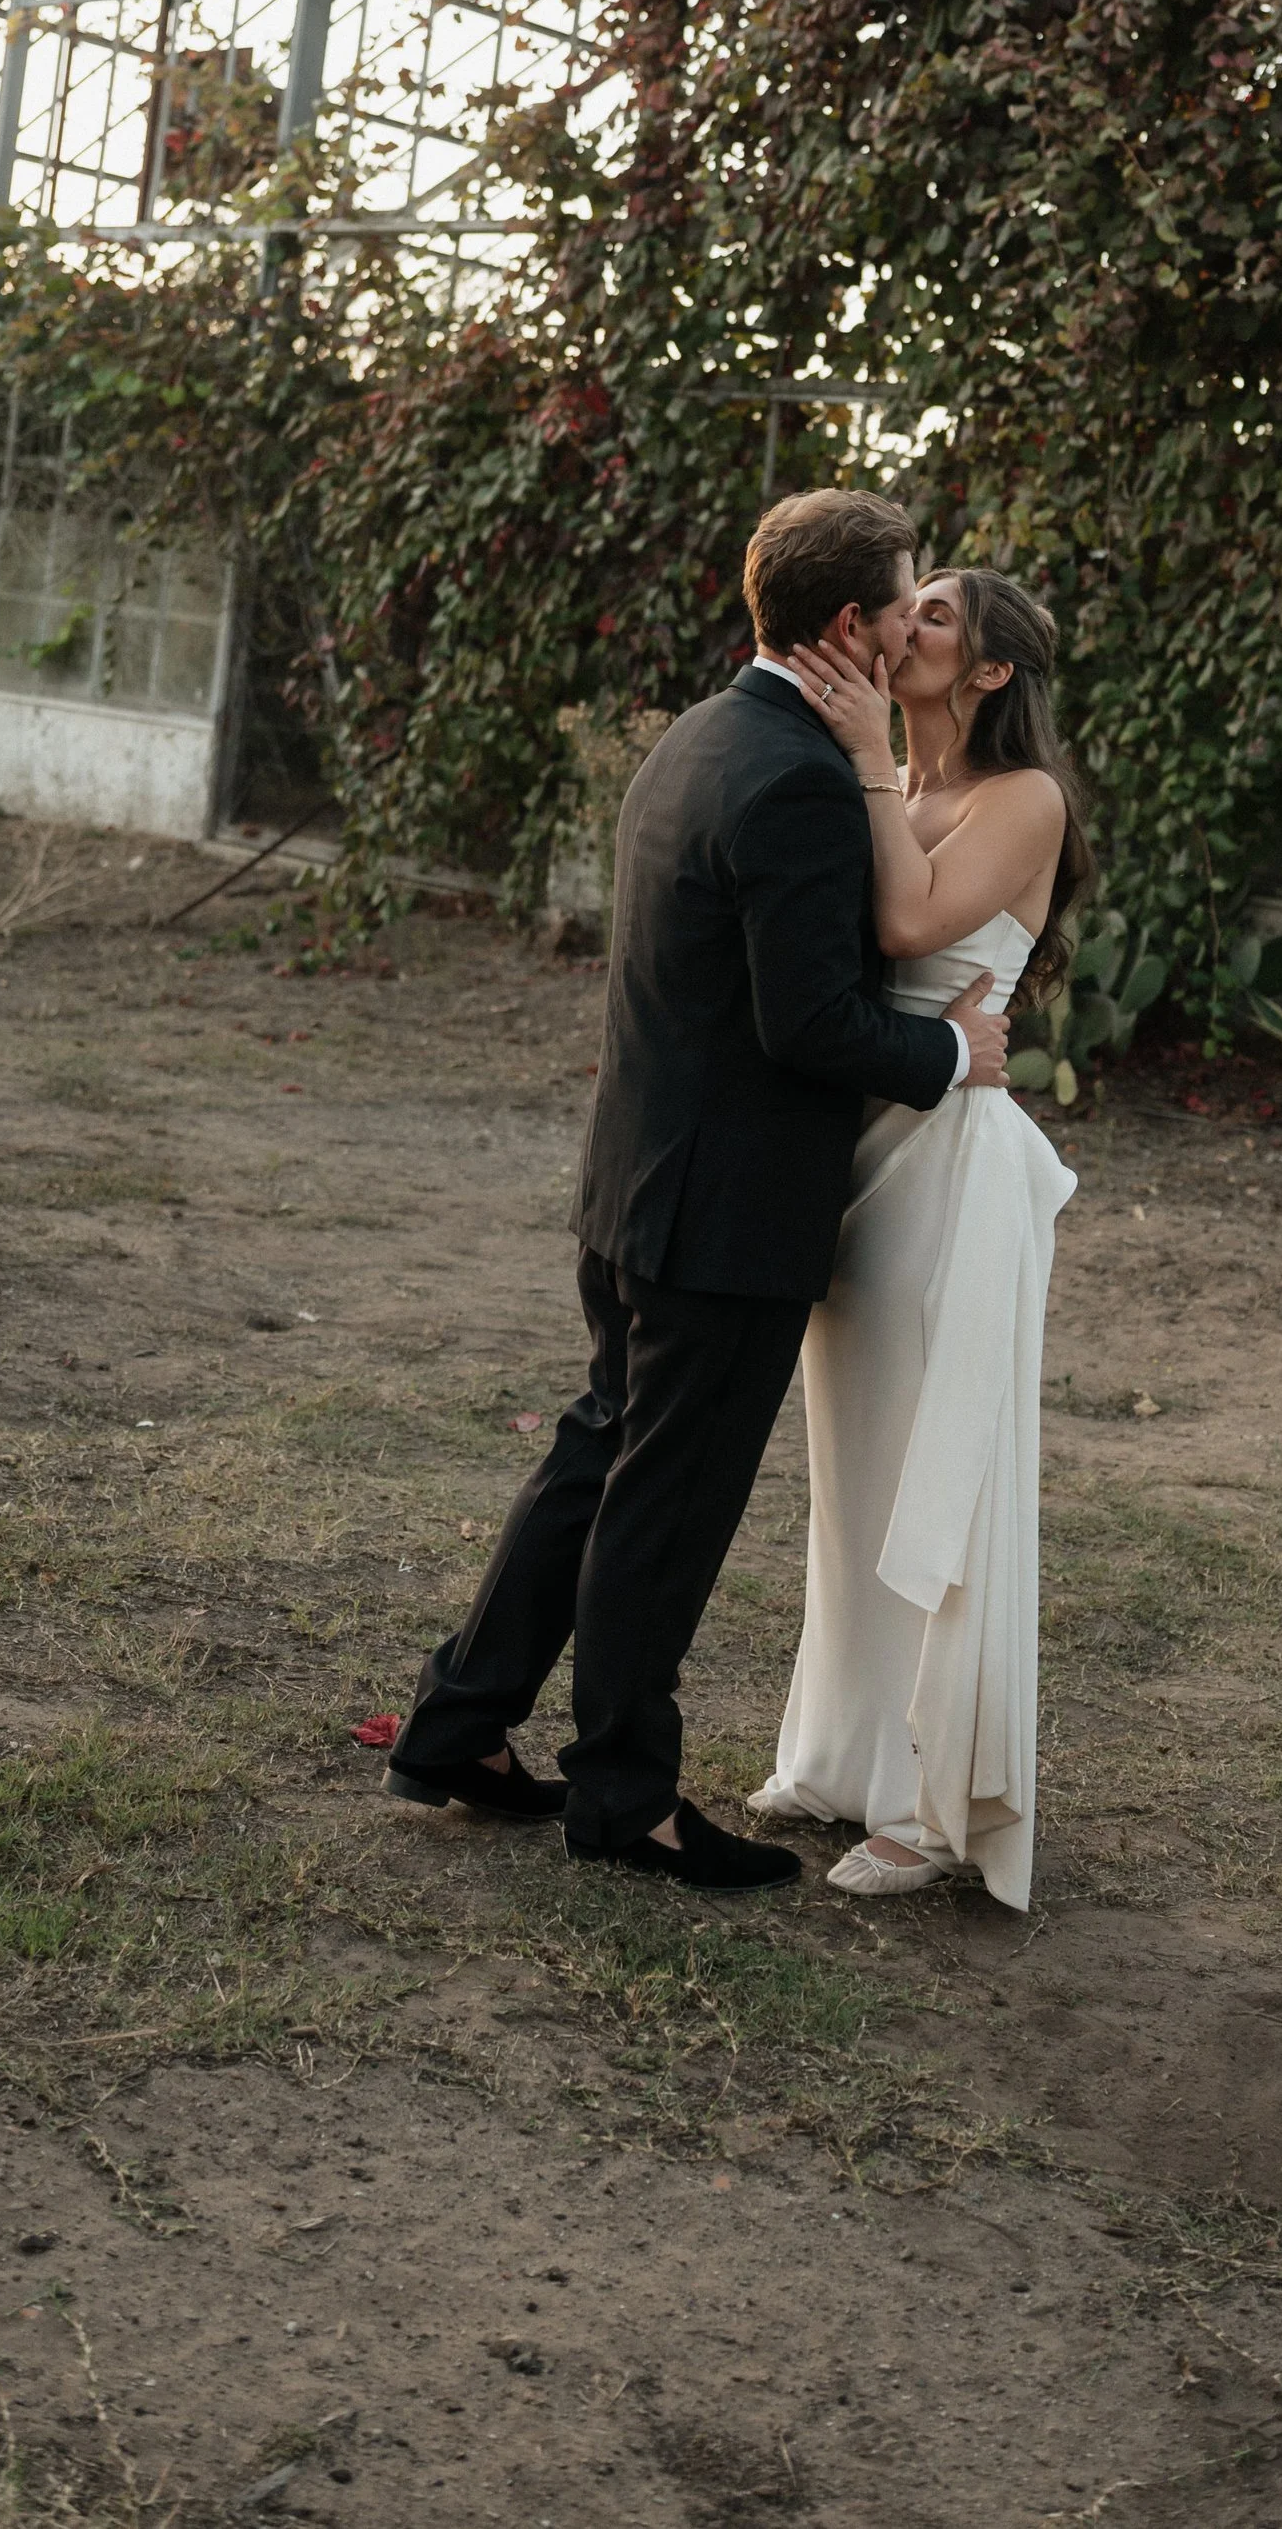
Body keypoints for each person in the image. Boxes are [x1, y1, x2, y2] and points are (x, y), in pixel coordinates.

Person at [381, 489, 1011, 1890]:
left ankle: (458, 1723)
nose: (920, 619)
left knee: (598, 1457)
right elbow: (810, 1022)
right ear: (849, 623)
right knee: (659, 1507)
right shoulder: (792, 775)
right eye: (907, 600)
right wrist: (948, 1047)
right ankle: (627, 1799)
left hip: (636, 1185)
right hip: (722, 1219)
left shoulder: (703, 730)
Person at [751, 568, 1087, 1907]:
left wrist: (864, 760)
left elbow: (905, 924)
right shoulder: (894, 781)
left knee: (935, 1475)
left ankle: (934, 1798)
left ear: (993, 671)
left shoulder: (1024, 798)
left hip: (956, 1168)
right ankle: (840, 1757)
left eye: (938, 614)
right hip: (864, 1158)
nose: (908, 626)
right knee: (856, 1471)